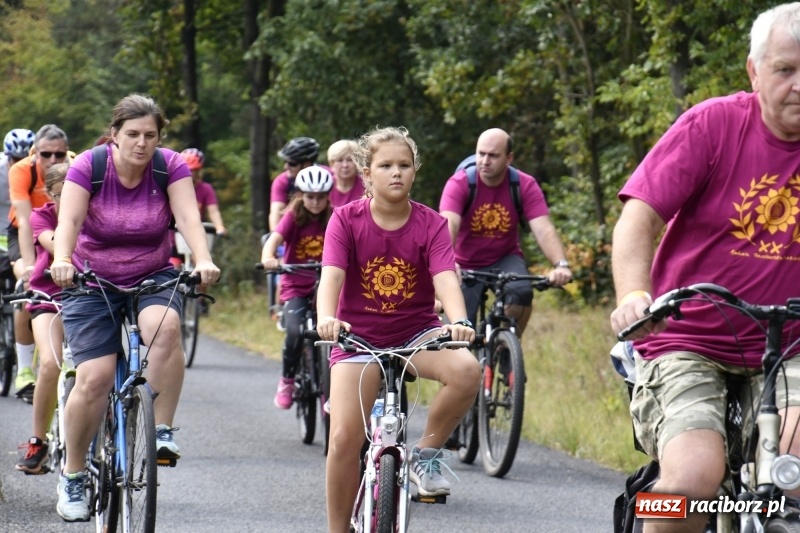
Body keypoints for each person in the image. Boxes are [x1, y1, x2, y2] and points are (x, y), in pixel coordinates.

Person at [609, 4, 800, 532]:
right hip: (687, 340)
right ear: (754, 72)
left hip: (792, 347)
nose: (799, 85)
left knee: (793, 474)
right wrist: (633, 295)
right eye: (786, 70)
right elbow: (638, 217)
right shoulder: (713, 126)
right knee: (692, 483)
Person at [49, 94, 220, 522]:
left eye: (150, 135)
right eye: (132, 134)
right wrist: (63, 259)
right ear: (115, 135)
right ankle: (72, 475)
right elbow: (67, 222)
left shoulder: (169, 165)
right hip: (92, 278)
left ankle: (161, 430)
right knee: (95, 377)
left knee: (165, 329)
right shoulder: (89, 165)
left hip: (152, 274)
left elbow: (187, 218)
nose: (142, 143)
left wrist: (202, 258)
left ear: (159, 137)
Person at [317, 126, 481, 533]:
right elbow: (331, 278)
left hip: (416, 333)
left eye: (404, 165)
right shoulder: (345, 219)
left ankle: (425, 455)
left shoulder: (432, 223)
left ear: (414, 171)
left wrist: (458, 321)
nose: (396, 173)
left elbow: (445, 277)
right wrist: (326, 317)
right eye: (385, 165)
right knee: (342, 440)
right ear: (367, 173)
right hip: (357, 338)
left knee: (466, 371)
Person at [439, 128, 572, 335]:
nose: (484, 161)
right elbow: (448, 226)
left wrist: (560, 265)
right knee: (457, 332)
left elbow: (544, 229)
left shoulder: (523, 185)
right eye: (481, 153)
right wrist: (447, 262)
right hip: (463, 262)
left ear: (509, 158)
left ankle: (508, 349)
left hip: (504, 258)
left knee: (522, 294)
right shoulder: (460, 183)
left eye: (493, 155)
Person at [261, 166, 333, 409]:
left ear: (328, 197)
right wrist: (270, 257)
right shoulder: (293, 216)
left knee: (340, 333)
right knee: (294, 331)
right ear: (301, 195)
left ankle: (334, 386)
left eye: (321, 197)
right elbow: (273, 241)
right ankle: (287, 380)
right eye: (310, 197)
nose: (315, 202)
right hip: (296, 285)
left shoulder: (334, 216)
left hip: (328, 285)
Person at [8, 124, 70, 401]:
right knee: (28, 285)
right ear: (35, 153)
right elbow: (23, 221)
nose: (54, 160)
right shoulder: (21, 170)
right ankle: (24, 370)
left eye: (60, 154)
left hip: (61, 227)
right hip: (25, 228)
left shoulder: (76, 165)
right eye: (46, 154)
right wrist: (31, 267)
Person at [15, 162, 68, 474]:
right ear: (50, 193)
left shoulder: (98, 214)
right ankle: (39, 441)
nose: (72, 199)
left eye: (80, 192)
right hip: (48, 296)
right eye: (63, 194)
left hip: (90, 297)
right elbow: (54, 242)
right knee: (50, 363)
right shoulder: (42, 216)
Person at [268, 136, 321, 231]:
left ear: (307, 163)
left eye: (292, 163)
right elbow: (276, 212)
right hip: (294, 232)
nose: (286, 167)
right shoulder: (282, 181)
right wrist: (275, 238)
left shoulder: (327, 177)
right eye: (285, 162)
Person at [180, 148, 226, 235]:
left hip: (196, 235)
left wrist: (219, 226)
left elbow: (213, 211)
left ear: (198, 171)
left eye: (191, 170)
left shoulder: (205, 189)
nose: (187, 173)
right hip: (171, 239)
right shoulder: (171, 188)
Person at [326, 139, 365, 206]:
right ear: (332, 164)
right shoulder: (325, 186)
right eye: (340, 160)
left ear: (357, 162)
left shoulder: (367, 186)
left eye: (350, 160)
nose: (345, 165)